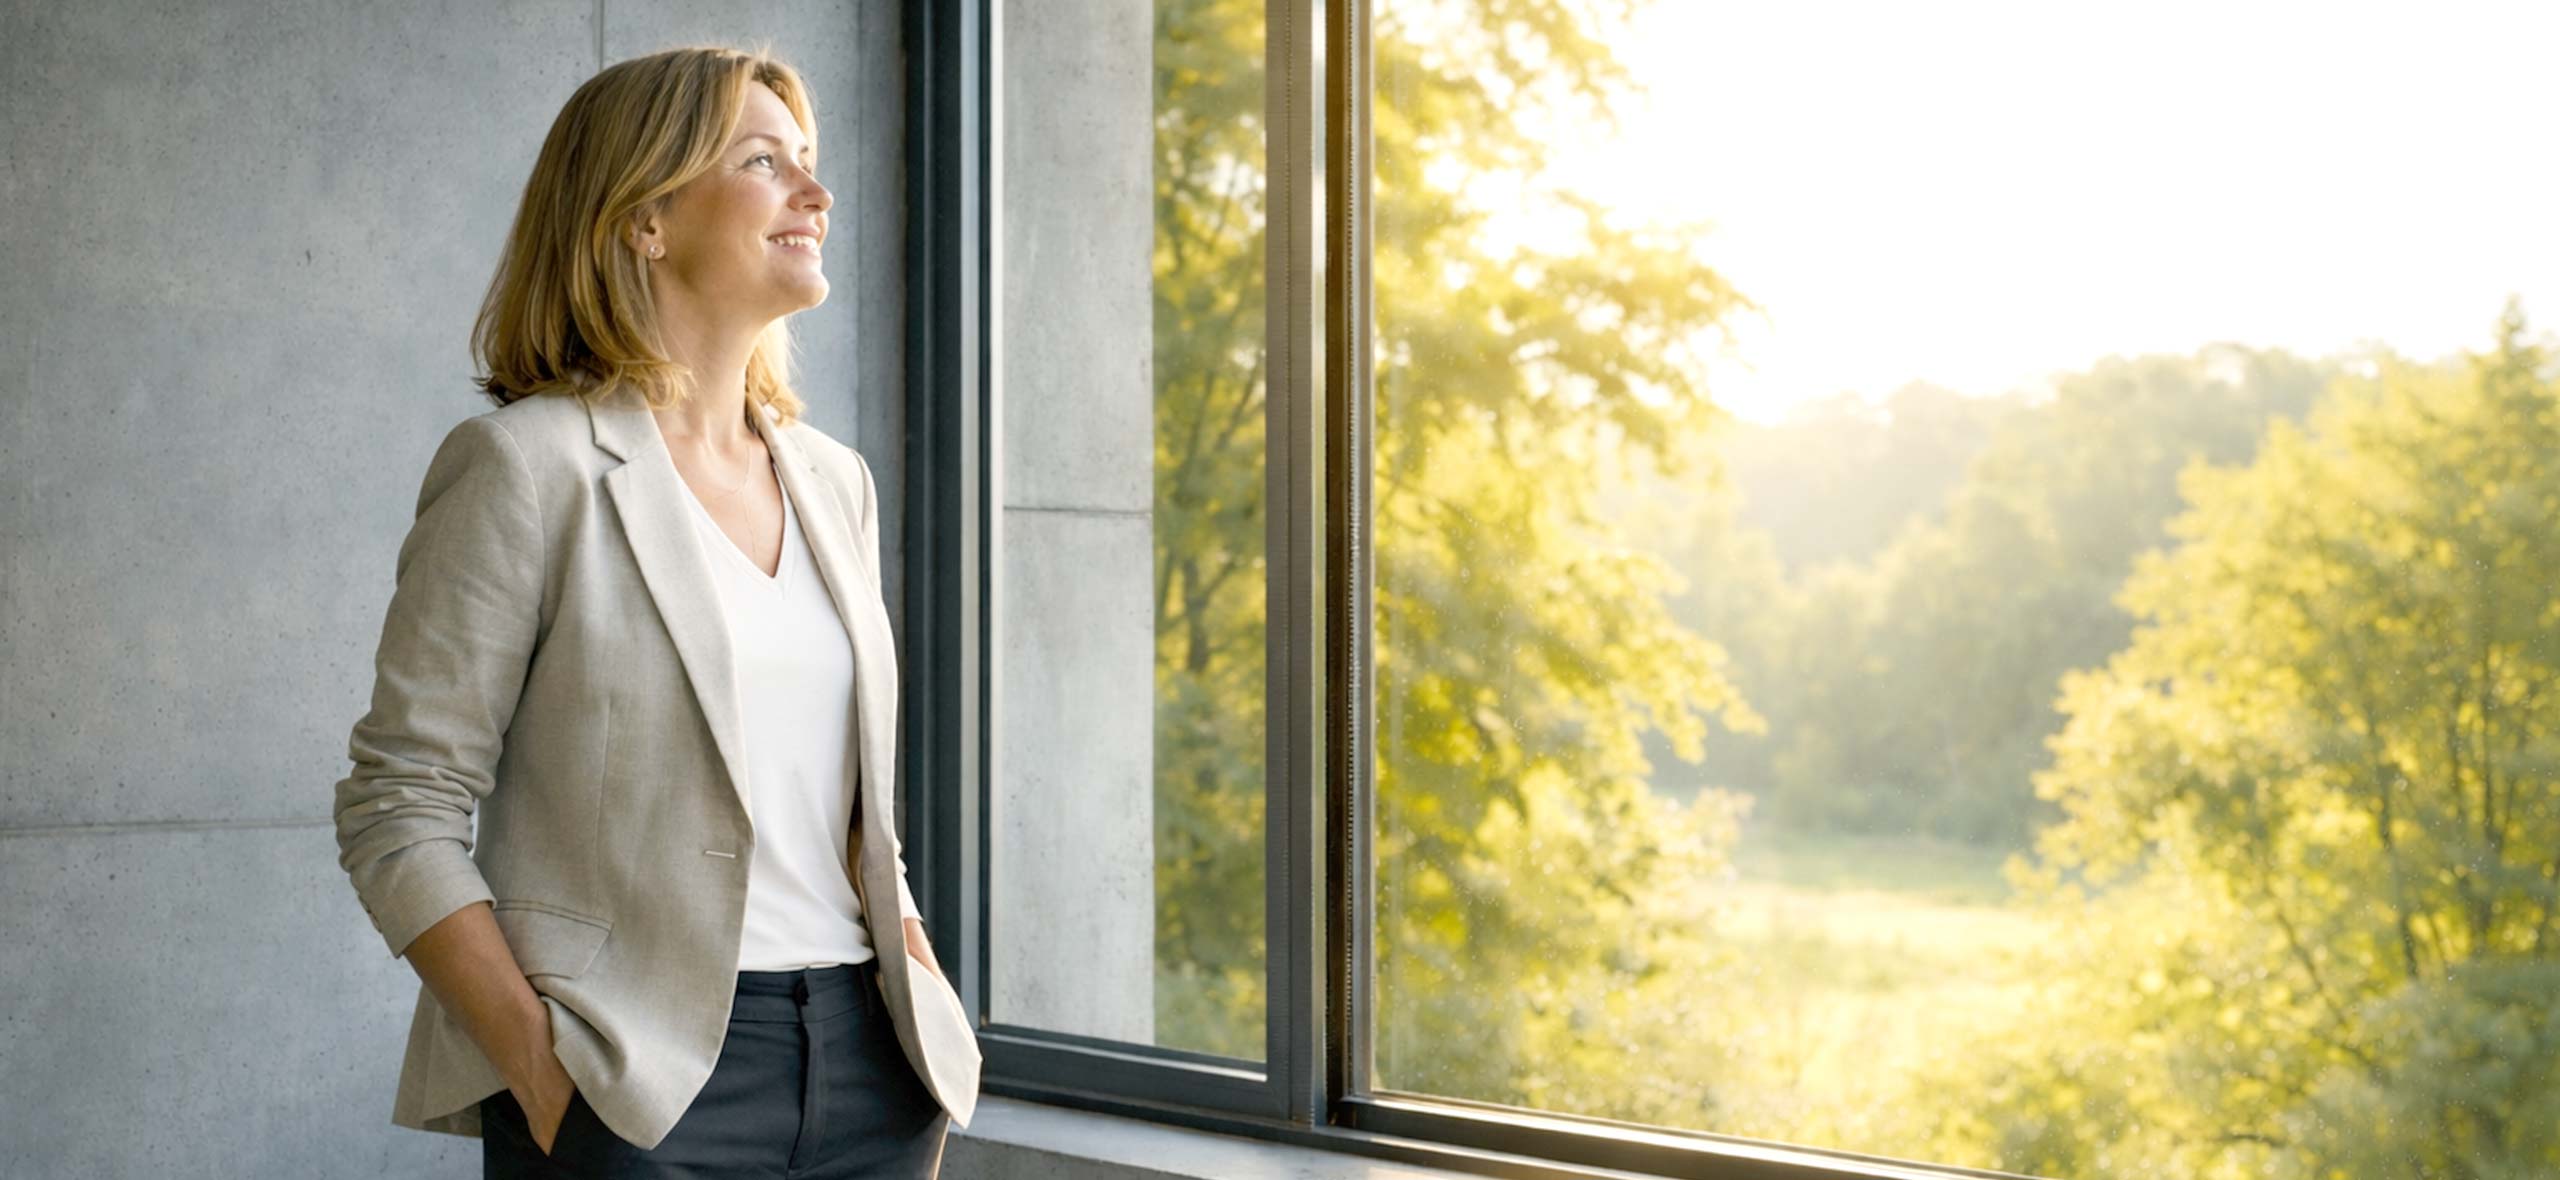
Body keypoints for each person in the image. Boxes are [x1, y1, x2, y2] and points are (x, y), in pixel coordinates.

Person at [330, 44, 979, 1178]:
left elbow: (841, 809)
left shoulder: (835, 482)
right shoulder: (528, 467)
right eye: (764, 162)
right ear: (645, 219)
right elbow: (399, 806)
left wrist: (919, 988)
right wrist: (541, 1072)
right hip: (632, 1081)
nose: (816, 193)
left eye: (808, 160)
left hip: (870, 1070)